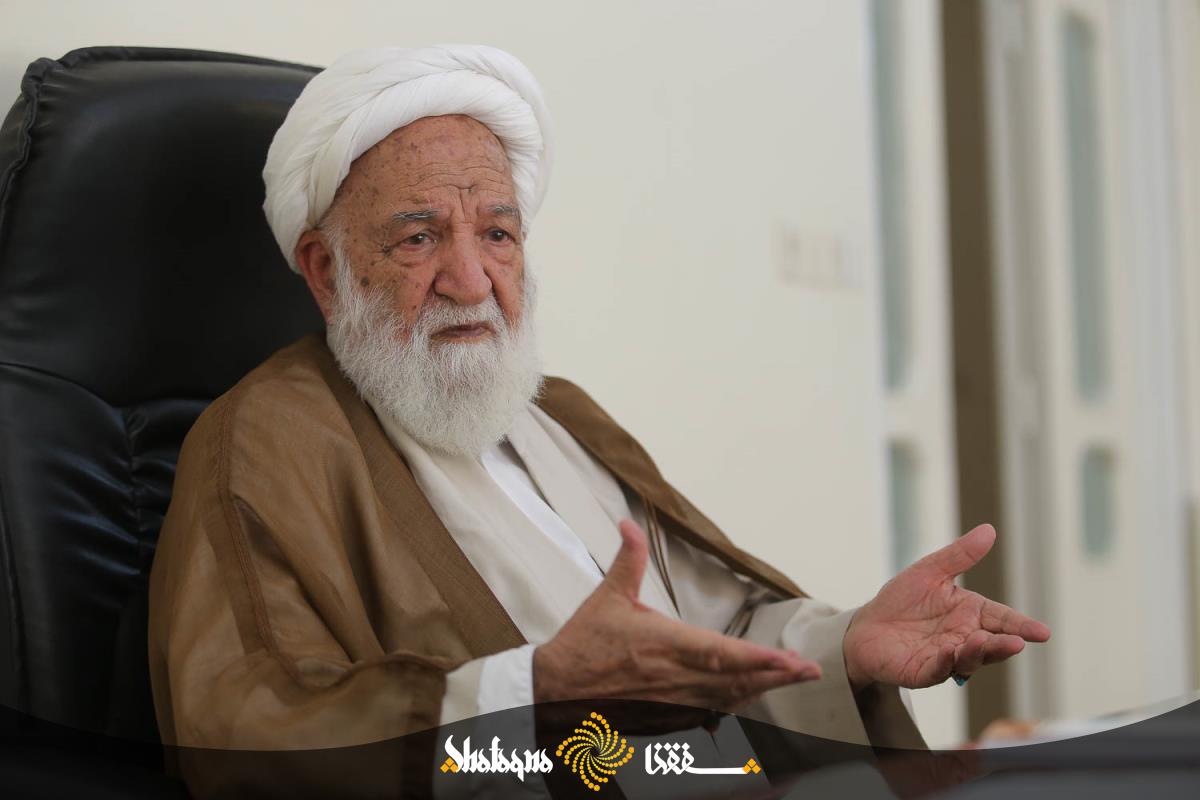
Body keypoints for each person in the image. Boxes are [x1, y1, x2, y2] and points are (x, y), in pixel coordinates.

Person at [147, 44, 1049, 765]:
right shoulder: (262, 443)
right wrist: (533, 694)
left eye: (497, 233)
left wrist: (850, 644)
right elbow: (242, 728)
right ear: (324, 271)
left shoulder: (558, 415)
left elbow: (717, 633)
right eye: (419, 238)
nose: (472, 279)